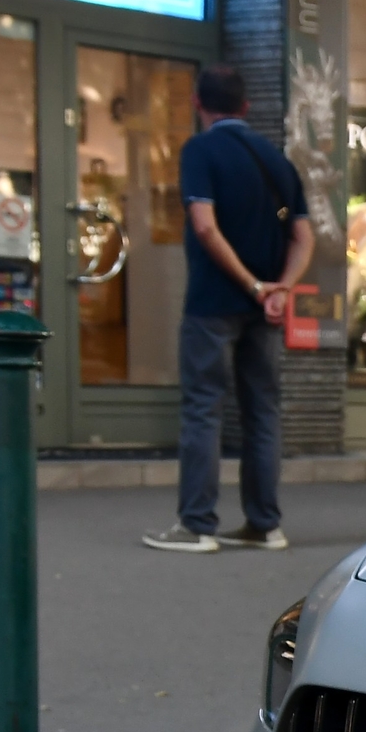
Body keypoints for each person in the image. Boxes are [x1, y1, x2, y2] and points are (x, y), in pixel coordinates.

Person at [143, 64, 313, 554]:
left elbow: (204, 225)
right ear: (245, 106)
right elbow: (304, 235)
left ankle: (197, 525)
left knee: (204, 410)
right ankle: (265, 524)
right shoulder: (278, 161)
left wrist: (251, 283)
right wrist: (280, 287)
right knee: (263, 412)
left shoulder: (200, 150)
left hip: (214, 303)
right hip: (265, 310)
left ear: (198, 104)